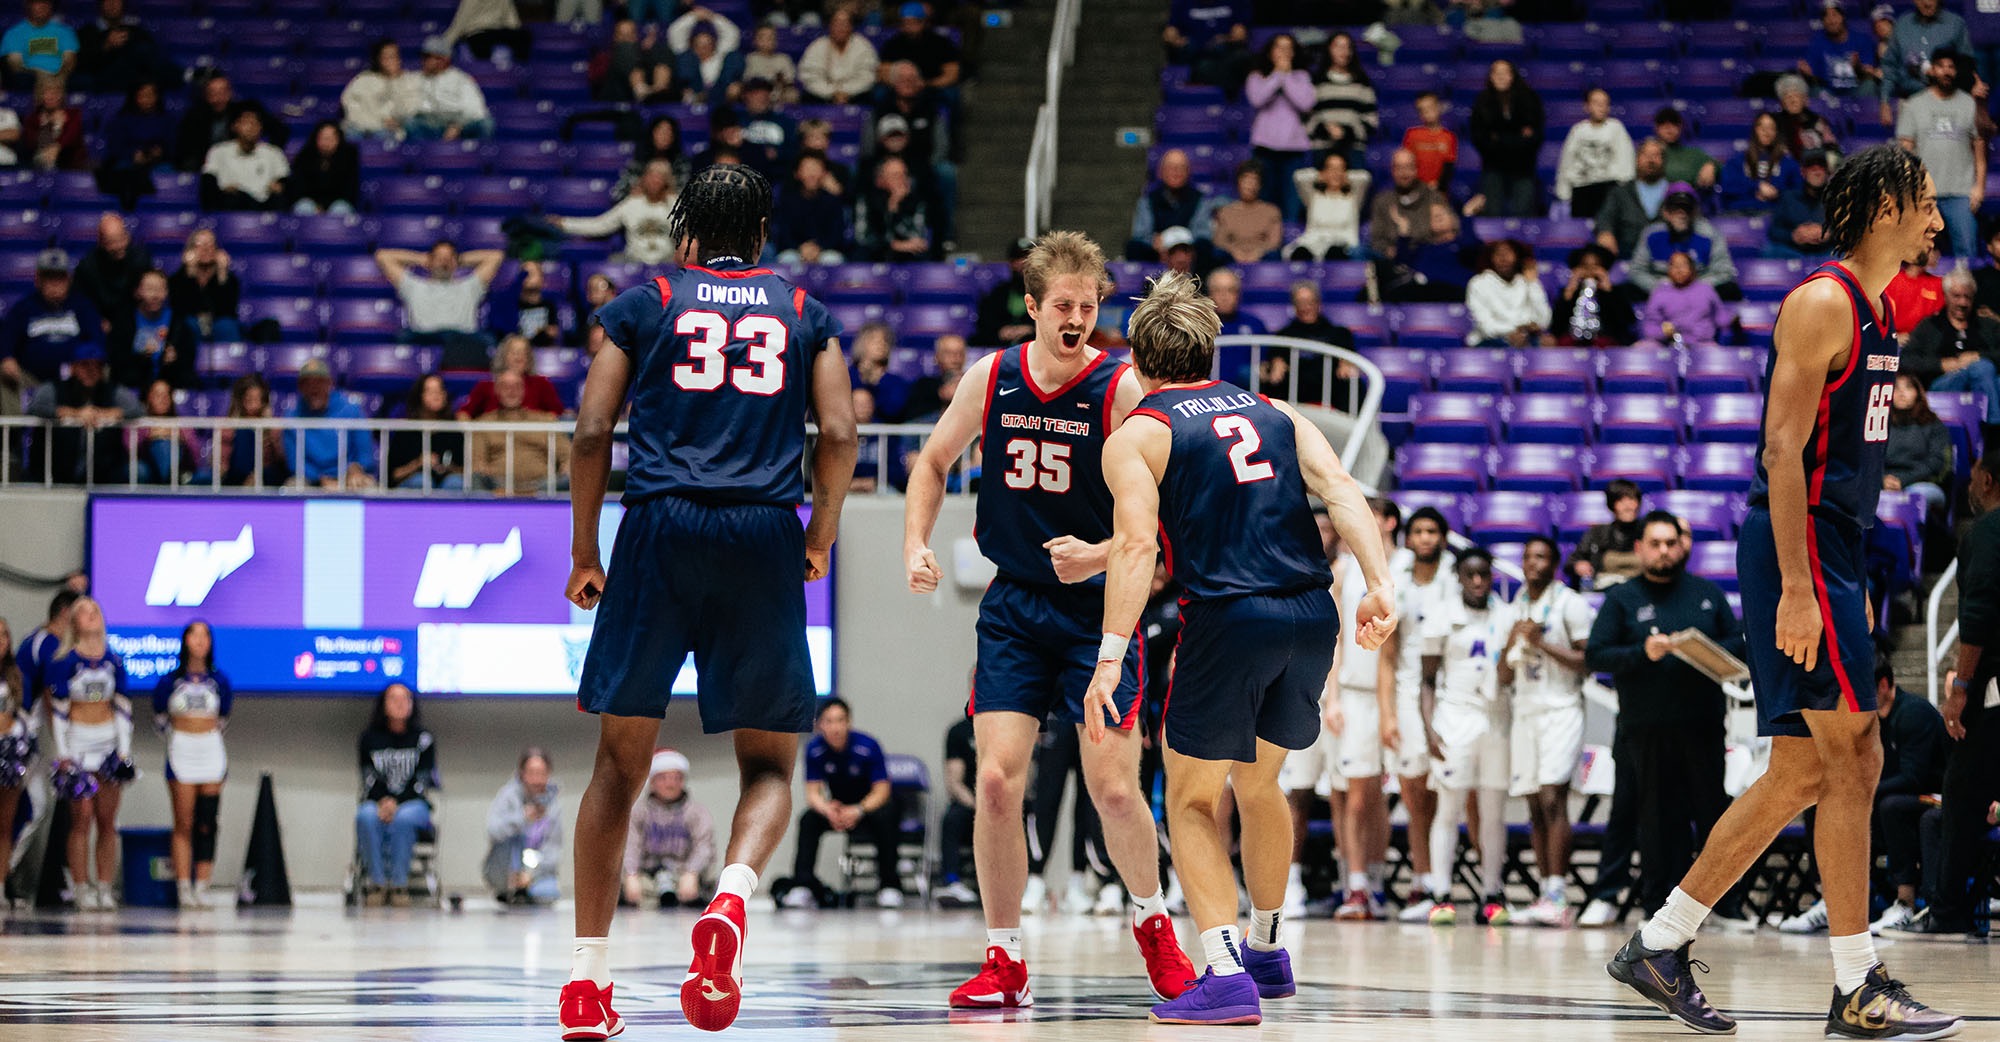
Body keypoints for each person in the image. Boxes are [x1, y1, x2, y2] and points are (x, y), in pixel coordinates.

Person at [1606, 145, 1963, 1040]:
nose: (1938, 219)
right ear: (1884, 206)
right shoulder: (1821, 302)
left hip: (1835, 545)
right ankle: (1857, 985)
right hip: (1799, 546)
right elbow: (1779, 453)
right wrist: (1800, 589)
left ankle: (1660, 940)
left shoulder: (1881, 308)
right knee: (1859, 758)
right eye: (1924, 202)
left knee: (1805, 769)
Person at [561, 164, 857, 1036]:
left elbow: (589, 431)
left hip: (657, 531)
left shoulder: (644, 298)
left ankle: (586, 985)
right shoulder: (804, 312)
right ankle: (728, 903)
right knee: (769, 767)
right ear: (761, 235)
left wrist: (585, 548)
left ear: (683, 231)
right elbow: (839, 433)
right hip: (763, 532)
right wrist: (821, 535)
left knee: (618, 765)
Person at [1084, 271, 1394, 1023]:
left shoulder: (1140, 435)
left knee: (1190, 799)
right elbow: (1346, 491)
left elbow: (1133, 550)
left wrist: (1110, 657)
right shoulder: (1277, 410)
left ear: (1136, 362)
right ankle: (1266, 946)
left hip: (1228, 619)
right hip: (1310, 613)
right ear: (1211, 348)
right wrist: (1382, 586)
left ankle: (1221, 975)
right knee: (1261, 787)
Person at [904, 231, 1195, 1011]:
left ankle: (1155, 928)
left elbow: (1166, 521)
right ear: (1032, 307)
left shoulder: (1122, 387)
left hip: (1100, 608)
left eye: (1089, 306)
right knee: (997, 782)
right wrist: (914, 543)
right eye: (1062, 305)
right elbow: (931, 461)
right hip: (1014, 604)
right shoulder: (991, 377)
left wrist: (1100, 554)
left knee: (1114, 788)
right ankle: (1004, 958)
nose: (1075, 318)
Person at [1587, 512, 1752, 925]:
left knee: (1714, 816)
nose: (1664, 551)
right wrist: (1643, 653)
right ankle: (1657, 909)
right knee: (1655, 821)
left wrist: (1703, 647)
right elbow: (1596, 654)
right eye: (1655, 543)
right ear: (1639, 548)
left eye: (1670, 543)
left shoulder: (1707, 594)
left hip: (1702, 725)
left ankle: (1726, 907)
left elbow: (1737, 646)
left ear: (1683, 546)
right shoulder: (1621, 598)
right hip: (1644, 731)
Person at [1907, 451, 2000, 938]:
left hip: (1994, 696)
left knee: (1961, 799)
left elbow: (1979, 614)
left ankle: (1947, 914)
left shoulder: (1985, 533)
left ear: (1986, 480)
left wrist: (1960, 686)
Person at [1411, 549, 1512, 926]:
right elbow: (1426, 680)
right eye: (1470, 575)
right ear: (1458, 577)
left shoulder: (1506, 615)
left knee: (1492, 812)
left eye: (1483, 574)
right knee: (1449, 808)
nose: (1477, 581)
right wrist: (1429, 728)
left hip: (1497, 720)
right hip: (1454, 719)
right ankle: (1441, 894)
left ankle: (1492, 893)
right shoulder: (1441, 616)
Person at [1499, 537, 1594, 927]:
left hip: (1561, 708)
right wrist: (1514, 640)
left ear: (1554, 564)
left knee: (1554, 796)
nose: (1532, 562)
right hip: (1525, 710)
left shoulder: (1570, 603)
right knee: (1535, 802)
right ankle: (1544, 892)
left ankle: (1559, 894)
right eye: (1527, 555)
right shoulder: (1514, 606)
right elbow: (1503, 674)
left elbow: (1587, 662)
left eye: (1541, 557)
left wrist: (1541, 642)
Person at [1321, 499, 1401, 920]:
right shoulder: (1344, 569)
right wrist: (1331, 697)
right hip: (1353, 692)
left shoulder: (1402, 567)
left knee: (1376, 796)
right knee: (1350, 795)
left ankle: (1375, 877)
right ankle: (1353, 884)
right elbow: (1334, 639)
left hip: (1395, 696)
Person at [42, 596, 131, 910]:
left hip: (107, 744)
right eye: (83, 613)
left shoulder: (114, 661)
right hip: (79, 746)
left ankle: (104, 887)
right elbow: (59, 712)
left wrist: (124, 749)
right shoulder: (63, 661)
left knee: (108, 821)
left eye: (95, 611)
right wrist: (64, 752)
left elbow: (122, 708)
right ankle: (81, 888)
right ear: (74, 622)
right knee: (81, 819)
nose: (91, 616)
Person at [780, 698, 904, 907]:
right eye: (829, 721)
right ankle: (802, 885)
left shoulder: (868, 746)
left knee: (888, 814)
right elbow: (813, 793)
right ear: (820, 725)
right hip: (838, 808)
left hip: (868, 808)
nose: (835, 727)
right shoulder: (814, 750)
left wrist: (858, 810)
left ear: (849, 722)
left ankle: (889, 885)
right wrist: (827, 809)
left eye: (840, 720)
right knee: (808, 820)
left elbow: (882, 790)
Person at [151, 619, 229, 909]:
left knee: (207, 822)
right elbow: (159, 717)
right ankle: (183, 886)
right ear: (184, 641)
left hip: (210, 749)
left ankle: (203, 885)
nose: (199, 640)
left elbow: (224, 718)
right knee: (183, 822)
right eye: (193, 634)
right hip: (182, 748)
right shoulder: (170, 682)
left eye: (205, 635)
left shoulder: (219, 681)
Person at [355, 683, 438, 908]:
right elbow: (368, 778)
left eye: (405, 699)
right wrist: (384, 800)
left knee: (404, 819)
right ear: (383, 704)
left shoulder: (423, 739)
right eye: (394, 699)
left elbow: (423, 780)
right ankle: (377, 884)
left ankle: (400, 885)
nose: (400, 704)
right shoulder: (369, 739)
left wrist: (397, 803)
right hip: (377, 801)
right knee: (365, 816)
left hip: (414, 804)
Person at [1897, 48, 1984, 261]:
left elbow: (1980, 148)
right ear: (1932, 70)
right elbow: (1905, 152)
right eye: (1941, 66)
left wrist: (1979, 187)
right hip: (1924, 193)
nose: (1946, 71)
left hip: (1960, 193)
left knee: (1967, 253)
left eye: (1950, 67)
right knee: (1916, 254)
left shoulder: (1968, 103)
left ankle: (1964, 291)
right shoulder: (1914, 104)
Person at [26, 340, 137, 484]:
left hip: (102, 476)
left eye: (96, 365)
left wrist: (108, 413)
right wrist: (74, 413)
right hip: (53, 472)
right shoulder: (54, 387)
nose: (91, 370)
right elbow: (35, 407)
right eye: (84, 365)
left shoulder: (112, 390)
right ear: (73, 367)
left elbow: (137, 409)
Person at [621, 749, 715, 909]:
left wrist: (692, 872)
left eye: (676, 778)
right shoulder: (638, 812)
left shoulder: (697, 813)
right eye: (663, 778)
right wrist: (631, 875)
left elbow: (704, 847)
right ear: (652, 782)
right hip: (646, 877)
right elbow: (630, 845)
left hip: (684, 877)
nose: (670, 784)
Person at [376, 240, 505, 345]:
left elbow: (496, 256)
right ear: (430, 261)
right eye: (439, 258)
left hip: (462, 339)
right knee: (402, 337)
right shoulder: (414, 285)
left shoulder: (470, 286)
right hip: (424, 338)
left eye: (449, 258)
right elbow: (382, 256)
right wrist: (421, 259)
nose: (444, 261)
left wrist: (459, 260)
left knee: (489, 340)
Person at [553, 159, 678, 265]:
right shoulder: (631, 203)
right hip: (634, 264)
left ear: (667, 180)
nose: (655, 181)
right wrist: (565, 223)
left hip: (667, 264)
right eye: (651, 175)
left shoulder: (676, 204)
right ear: (644, 178)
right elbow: (600, 225)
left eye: (660, 176)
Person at [1245, 33, 1314, 221]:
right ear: (1270, 52)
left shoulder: (1301, 76)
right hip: (1265, 149)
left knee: (1291, 203)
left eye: (1288, 48)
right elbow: (1257, 99)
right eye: (1279, 47)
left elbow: (1306, 103)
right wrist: (1277, 75)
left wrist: (1287, 77)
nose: (1284, 52)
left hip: (1293, 151)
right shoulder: (1257, 76)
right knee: (1265, 201)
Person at [1628, 184, 1740, 298]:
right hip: (1661, 289)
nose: (1681, 214)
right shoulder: (1651, 234)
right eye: (1675, 208)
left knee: (1730, 289)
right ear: (1665, 212)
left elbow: (1725, 271)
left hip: (1700, 291)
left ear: (1695, 212)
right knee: (1624, 292)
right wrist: (1662, 287)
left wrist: (1695, 287)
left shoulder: (1710, 234)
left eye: (1687, 208)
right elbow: (1637, 271)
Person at [1466, 59, 1546, 218]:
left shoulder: (1529, 99)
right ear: (1490, 77)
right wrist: (1517, 138)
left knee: (1523, 214)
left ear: (1513, 76)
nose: (1501, 77)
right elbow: (1479, 138)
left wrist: (1498, 139)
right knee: (1492, 213)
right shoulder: (1482, 101)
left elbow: (1536, 136)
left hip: (1524, 166)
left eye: (1505, 73)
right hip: (1493, 167)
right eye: (1496, 73)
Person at [281, 358, 376, 490]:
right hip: (311, 479)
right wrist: (321, 479)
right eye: (307, 383)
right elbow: (295, 463)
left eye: (319, 382)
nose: (313, 388)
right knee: (291, 488)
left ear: (329, 383)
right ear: (300, 388)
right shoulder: (292, 417)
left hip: (349, 476)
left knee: (369, 487)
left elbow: (365, 452)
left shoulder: (351, 410)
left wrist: (356, 468)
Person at [468, 370, 568, 495]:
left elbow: (567, 456)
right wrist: (482, 468)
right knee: (475, 478)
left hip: (543, 486)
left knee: (572, 478)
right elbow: (477, 461)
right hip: (497, 486)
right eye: (506, 387)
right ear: (497, 390)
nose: (511, 391)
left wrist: (567, 465)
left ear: (524, 390)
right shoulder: (483, 423)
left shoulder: (546, 421)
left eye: (516, 386)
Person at [486, 748, 562, 906]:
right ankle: (509, 889)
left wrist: (531, 874)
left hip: (537, 871)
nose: (537, 780)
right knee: (515, 837)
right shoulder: (508, 795)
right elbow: (492, 830)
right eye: (532, 773)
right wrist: (522, 818)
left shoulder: (553, 804)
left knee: (549, 893)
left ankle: (527, 890)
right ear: (522, 774)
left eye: (542, 773)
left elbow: (554, 848)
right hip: (506, 866)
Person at [1905, 267, 2000, 385]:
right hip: (1944, 383)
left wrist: (1978, 356)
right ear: (1945, 296)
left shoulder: (1987, 325)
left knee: (1983, 369)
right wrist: (1941, 364)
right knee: (1982, 368)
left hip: (1983, 378)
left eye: (1967, 297)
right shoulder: (1929, 326)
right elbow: (1906, 359)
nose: (1963, 303)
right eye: (1956, 296)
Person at [173, 75, 285, 174]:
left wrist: (266, 156)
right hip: (209, 167)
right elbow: (185, 148)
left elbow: (280, 131)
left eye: (223, 92)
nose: (219, 97)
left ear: (230, 92)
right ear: (206, 95)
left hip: (244, 165)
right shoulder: (194, 116)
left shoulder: (245, 109)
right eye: (213, 93)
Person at [1554, 87, 1636, 220]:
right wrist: (1564, 193)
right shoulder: (1578, 130)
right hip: (1582, 189)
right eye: (1596, 103)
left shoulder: (1616, 128)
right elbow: (1567, 161)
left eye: (1605, 103)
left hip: (1609, 189)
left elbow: (1626, 160)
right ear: (1587, 106)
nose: (1601, 107)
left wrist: (1622, 190)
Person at [1127, 149, 1216, 263]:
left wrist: (1181, 246)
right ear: (1161, 172)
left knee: (1205, 248)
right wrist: (1154, 241)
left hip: (1189, 251)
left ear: (1188, 172)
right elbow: (1140, 234)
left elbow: (1202, 233)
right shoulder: (1148, 199)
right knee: (1134, 247)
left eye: (1181, 168)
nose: (1176, 172)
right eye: (1171, 167)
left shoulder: (1200, 199)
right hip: (1157, 251)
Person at [96, 79, 173, 209]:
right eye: (142, 95)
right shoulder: (121, 120)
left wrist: (159, 153)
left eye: (150, 95)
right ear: (135, 97)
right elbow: (115, 148)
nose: (146, 100)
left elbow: (173, 147)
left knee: (167, 175)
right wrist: (133, 155)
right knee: (124, 175)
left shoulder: (168, 120)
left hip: (159, 163)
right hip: (128, 163)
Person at [1884, 373, 1955, 516]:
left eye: (1908, 387)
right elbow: (1868, 459)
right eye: (1896, 388)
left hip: (1921, 483)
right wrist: (1882, 479)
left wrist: (1903, 480)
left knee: (1914, 498)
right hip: (1883, 482)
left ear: (1918, 393)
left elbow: (1937, 463)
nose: (1901, 393)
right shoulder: (1879, 424)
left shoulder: (1934, 425)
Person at [72, 211, 152, 333]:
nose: (119, 246)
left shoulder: (141, 259)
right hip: (102, 324)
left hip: (136, 321)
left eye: (122, 238)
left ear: (128, 236)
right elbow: (81, 300)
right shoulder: (87, 266)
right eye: (112, 241)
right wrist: (96, 319)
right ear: (101, 242)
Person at [1305, 31, 1376, 166]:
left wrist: (1346, 132)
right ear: (1329, 49)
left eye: (1347, 47)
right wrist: (1326, 129)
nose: (1344, 51)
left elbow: (1371, 120)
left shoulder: (1362, 83)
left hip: (1354, 149)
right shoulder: (1316, 82)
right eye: (1338, 46)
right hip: (1321, 149)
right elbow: (1307, 117)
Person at [385, 372, 465, 491]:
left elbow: (466, 472)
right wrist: (418, 464)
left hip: (446, 483)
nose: (437, 395)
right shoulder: (406, 431)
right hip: (412, 484)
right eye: (430, 391)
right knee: (421, 481)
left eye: (440, 390)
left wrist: (448, 468)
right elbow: (392, 476)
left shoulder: (453, 430)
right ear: (419, 396)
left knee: (454, 483)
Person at [1595, 139, 1672, 259]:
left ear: (1663, 161)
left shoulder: (1676, 192)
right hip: (1627, 256)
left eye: (1656, 155)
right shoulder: (1619, 192)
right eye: (1646, 155)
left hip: (1668, 259)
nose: (1650, 160)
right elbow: (1605, 217)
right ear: (1637, 160)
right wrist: (1605, 232)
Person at [1465, 238, 1550, 347]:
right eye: (1498, 254)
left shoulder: (1527, 281)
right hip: (1490, 339)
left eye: (1508, 253)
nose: (1503, 258)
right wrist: (1514, 330)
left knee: (1548, 342)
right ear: (1490, 258)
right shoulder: (1478, 283)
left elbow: (1544, 320)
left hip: (1526, 336)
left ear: (1518, 256)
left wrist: (1532, 284)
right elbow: (1485, 326)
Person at [1548, 243, 1637, 347]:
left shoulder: (1615, 292)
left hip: (1605, 339)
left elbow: (1626, 322)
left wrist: (1608, 291)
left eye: (1595, 266)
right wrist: (1570, 291)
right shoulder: (1569, 292)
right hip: (1573, 338)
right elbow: (1556, 326)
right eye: (1585, 266)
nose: (1590, 271)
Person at [1883, 0, 1974, 99]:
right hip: (1907, 100)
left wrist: (1942, 72)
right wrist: (1885, 99)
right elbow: (1889, 66)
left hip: (1946, 99)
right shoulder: (1902, 25)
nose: (1927, 3)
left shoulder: (1955, 24)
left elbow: (1967, 65)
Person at [1285, 152, 1367, 261]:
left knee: (1335, 253)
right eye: (1331, 168)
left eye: (1340, 168)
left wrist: (1344, 176)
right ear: (1323, 172)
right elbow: (1299, 177)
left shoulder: (1353, 197)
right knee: (1298, 253)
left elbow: (1365, 177)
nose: (1336, 173)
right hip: (1313, 245)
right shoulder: (1313, 196)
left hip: (1344, 247)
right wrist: (1320, 175)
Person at [200, 108, 287, 211]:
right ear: (235, 126)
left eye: (255, 124)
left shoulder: (273, 153)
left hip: (264, 206)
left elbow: (284, 180)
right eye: (246, 123)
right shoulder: (218, 151)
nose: (251, 128)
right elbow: (208, 181)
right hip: (232, 204)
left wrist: (279, 186)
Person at [408, 36, 493, 141]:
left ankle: (477, 156)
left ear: (444, 59)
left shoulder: (461, 79)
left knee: (486, 124)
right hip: (432, 122)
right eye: (423, 57)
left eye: (428, 57)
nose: (424, 61)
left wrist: (457, 125)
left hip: (459, 120)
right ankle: (425, 155)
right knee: (410, 123)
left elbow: (475, 108)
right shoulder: (417, 78)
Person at [1369, 149, 1445, 265]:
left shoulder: (1434, 198)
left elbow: (1448, 232)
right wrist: (1388, 250)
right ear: (1392, 171)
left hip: (1429, 259)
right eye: (1399, 168)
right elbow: (1376, 238)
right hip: (1394, 262)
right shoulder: (1382, 201)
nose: (1404, 173)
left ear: (1416, 169)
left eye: (1408, 167)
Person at [1638, 252, 1732, 346]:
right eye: (1674, 266)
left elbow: (1722, 319)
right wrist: (1663, 331)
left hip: (1702, 344)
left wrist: (1733, 320)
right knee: (1642, 347)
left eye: (1683, 265)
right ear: (1669, 270)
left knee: (1715, 353)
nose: (1678, 270)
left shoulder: (1706, 290)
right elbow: (1649, 328)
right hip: (1667, 344)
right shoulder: (1660, 292)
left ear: (1691, 269)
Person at [1565, 479, 1646, 586]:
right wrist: (1578, 565)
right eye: (1621, 500)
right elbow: (1571, 562)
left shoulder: (1648, 532)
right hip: (1605, 589)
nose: (1628, 506)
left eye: (1632, 499)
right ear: (1611, 505)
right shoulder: (1597, 533)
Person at [775, 153, 851, 265]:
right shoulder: (787, 201)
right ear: (797, 173)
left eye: (815, 169)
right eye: (807, 169)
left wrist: (819, 248)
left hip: (824, 251)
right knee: (787, 259)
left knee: (832, 260)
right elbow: (783, 233)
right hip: (796, 250)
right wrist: (800, 248)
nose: (811, 174)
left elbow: (837, 234)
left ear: (824, 173)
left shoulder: (833, 201)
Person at [855, 155, 932, 262]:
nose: (902, 180)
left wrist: (896, 209)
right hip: (873, 254)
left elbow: (917, 236)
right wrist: (893, 245)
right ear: (880, 180)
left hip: (907, 254)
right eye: (896, 175)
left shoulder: (916, 201)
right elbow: (862, 237)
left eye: (904, 174)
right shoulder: (866, 200)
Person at [341, 39, 421, 142]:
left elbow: (410, 108)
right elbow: (349, 104)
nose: (391, 60)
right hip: (361, 126)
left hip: (389, 130)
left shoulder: (408, 80)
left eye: (394, 56)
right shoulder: (363, 79)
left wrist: (394, 81)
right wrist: (374, 123)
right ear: (378, 59)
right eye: (387, 57)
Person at [168, 228, 240, 343]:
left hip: (218, 323)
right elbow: (181, 308)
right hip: (193, 323)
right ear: (190, 250)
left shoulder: (229, 278)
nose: (206, 248)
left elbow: (228, 310)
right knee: (187, 324)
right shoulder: (179, 278)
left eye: (210, 244)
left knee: (227, 326)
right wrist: (190, 272)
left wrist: (222, 273)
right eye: (200, 244)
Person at [0, 617, 28, 905]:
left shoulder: (16, 677)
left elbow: (24, 717)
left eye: (4, 636)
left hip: (8, 755)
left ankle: (1, 883)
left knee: (5, 825)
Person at [1720, 112, 1799, 215]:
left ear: (1776, 132)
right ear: (1755, 130)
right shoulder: (1738, 160)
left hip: (1775, 215)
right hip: (1741, 212)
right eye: (1761, 127)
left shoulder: (1788, 163)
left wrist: (1777, 193)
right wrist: (1756, 187)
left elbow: (1797, 191)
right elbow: (1727, 185)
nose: (1766, 132)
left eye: (1771, 127)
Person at [936, 714, 977, 907]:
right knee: (952, 819)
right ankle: (952, 881)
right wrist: (979, 806)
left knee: (1026, 814)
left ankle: (1024, 883)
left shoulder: (1011, 725)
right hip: (972, 803)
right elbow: (954, 783)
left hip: (1005, 803)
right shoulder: (959, 731)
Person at [798, 6, 877, 105]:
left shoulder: (863, 46)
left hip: (856, 95)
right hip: (822, 96)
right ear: (830, 26)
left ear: (851, 27)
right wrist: (832, 93)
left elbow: (867, 77)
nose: (840, 28)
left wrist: (846, 92)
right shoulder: (817, 46)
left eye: (844, 24)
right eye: (837, 23)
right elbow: (810, 77)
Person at [221, 372, 287, 487]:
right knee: (244, 433)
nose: (252, 404)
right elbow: (222, 463)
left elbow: (282, 459)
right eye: (248, 399)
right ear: (241, 401)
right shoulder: (229, 426)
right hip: (237, 477)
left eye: (257, 399)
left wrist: (270, 430)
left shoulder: (273, 426)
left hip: (267, 476)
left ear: (264, 401)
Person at [878, 2, 961, 93]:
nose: (908, 27)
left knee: (951, 93)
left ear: (924, 22)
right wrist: (904, 86)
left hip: (932, 87)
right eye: (905, 23)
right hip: (900, 89)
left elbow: (952, 74)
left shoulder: (941, 43)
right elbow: (883, 73)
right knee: (880, 92)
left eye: (913, 23)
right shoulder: (893, 44)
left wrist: (926, 84)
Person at [1768, 148, 1835, 260]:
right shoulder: (1788, 198)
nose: (1817, 172)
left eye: (1821, 168)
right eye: (1811, 168)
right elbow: (1774, 230)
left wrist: (1830, 234)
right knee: (1770, 251)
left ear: (1828, 172)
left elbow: (1850, 230)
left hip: (1826, 253)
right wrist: (1793, 235)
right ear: (1803, 172)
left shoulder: (1837, 198)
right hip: (1794, 252)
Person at [1212, 161, 1282, 265]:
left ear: (1260, 185)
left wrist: (1258, 253)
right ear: (1238, 182)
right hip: (1232, 257)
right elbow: (1219, 241)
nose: (1250, 185)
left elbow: (1274, 242)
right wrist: (1234, 252)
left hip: (1262, 257)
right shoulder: (1225, 211)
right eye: (1246, 180)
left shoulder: (1271, 211)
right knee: (1217, 254)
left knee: (1274, 256)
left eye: (1254, 181)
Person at [131, 377, 199, 484]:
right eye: (157, 395)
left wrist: (179, 438)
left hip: (179, 468)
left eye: (166, 394)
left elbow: (196, 456)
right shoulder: (139, 423)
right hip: (148, 468)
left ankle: (168, 482)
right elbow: (128, 451)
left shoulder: (182, 425)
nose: (163, 399)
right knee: (160, 446)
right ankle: (167, 484)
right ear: (148, 397)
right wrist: (150, 437)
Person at [288, 121, 359, 216]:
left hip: (337, 203)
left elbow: (350, 189)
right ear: (316, 139)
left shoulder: (349, 157)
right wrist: (317, 206)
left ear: (338, 139)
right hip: (311, 203)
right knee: (303, 207)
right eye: (323, 138)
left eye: (331, 139)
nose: (326, 143)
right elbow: (298, 187)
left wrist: (326, 206)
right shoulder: (305, 157)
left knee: (340, 209)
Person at [2, 0, 76, 87]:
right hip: (29, 76)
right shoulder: (14, 33)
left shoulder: (65, 31)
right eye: (37, 3)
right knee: (20, 79)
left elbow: (69, 60)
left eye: (45, 3)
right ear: (28, 6)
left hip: (60, 75)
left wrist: (59, 76)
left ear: (51, 6)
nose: (41, 7)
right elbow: (16, 64)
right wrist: (40, 75)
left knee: (82, 80)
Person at [846, 321, 910, 421]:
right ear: (861, 344)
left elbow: (893, 410)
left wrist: (875, 383)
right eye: (874, 340)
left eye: (885, 341)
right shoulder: (847, 376)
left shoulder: (895, 382)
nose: (881, 344)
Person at [489, 262, 563, 347]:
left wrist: (546, 331)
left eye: (533, 273)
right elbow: (506, 333)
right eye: (525, 273)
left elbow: (554, 331)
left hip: (543, 349)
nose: (528, 277)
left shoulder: (549, 303)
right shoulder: (511, 303)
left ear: (542, 279)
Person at [21, 73, 84, 171]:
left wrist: (57, 147)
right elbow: (30, 143)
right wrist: (48, 125)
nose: (51, 97)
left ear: (62, 95)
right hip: (39, 163)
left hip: (70, 164)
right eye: (46, 93)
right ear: (40, 95)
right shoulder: (33, 118)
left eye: (55, 93)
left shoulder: (73, 115)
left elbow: (72, 139)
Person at [673, 23, 743, 106]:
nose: (702, 49)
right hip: (694, 100)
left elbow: (732, 33)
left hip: (722, 98)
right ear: (692, 46)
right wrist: (693, 16)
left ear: (714, 45)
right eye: (698, 45)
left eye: (707, 45)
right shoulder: (687, 62)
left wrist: (712, 17)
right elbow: (675, 33)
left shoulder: (721, 58)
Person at [1401, 91, 1458, 191]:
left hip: (1438, 191)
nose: (1427, 112)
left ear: (1439, 107)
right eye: (1422, 110)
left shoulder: (1448, 137)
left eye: (1430, 108)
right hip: (1415, 189)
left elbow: (1448, 166)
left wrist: (1438, 185)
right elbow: (1406, 163)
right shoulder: (1412, 134)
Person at [1652, 108, 1718, 191]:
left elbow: (1723, 168)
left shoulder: (1693, 153)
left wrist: (1712, 166)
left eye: (1674, 123)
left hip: (1688, 200)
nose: (1669, 128)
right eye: (1663, 123)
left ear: (1681, 127)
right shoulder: (1648, 153)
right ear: (1656, 127)